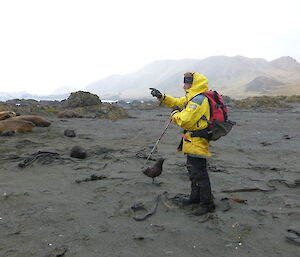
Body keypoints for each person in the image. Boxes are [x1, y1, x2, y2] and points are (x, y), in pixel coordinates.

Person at [149, 72, 215, 215]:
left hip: (198, 139)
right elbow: (177, 102)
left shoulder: (198, 100)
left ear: (193, 84)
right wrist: (162, 97)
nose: (183, 85)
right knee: (192, 169)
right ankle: (195, 197)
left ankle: (207, 203)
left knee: (199, 172)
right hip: (191, 140)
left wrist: (174, 115)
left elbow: (185, 120)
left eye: (186, 83)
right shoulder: (192, 97)